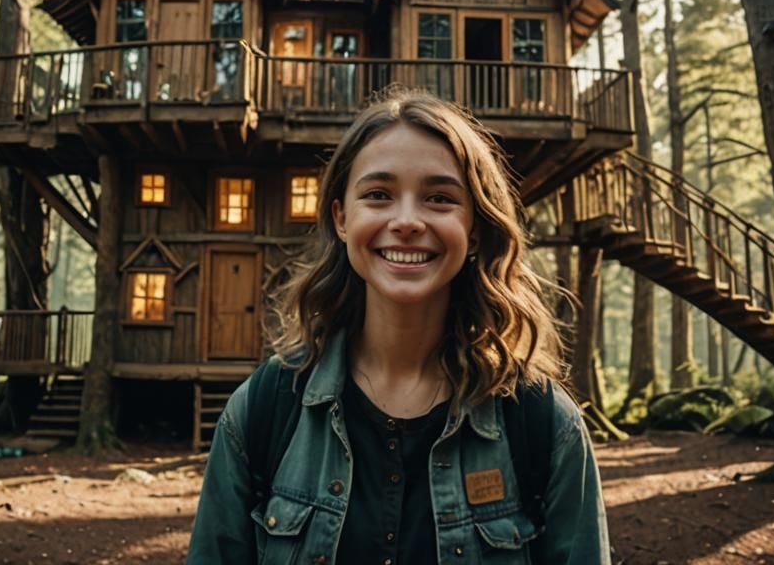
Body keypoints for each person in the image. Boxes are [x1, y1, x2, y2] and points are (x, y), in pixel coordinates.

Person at [187, 88, 610, 564]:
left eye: (439, 197)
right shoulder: (264, 410)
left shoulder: (542, 423)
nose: (407, 221)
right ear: (342, 218)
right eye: (378, 195)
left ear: (474, 228)